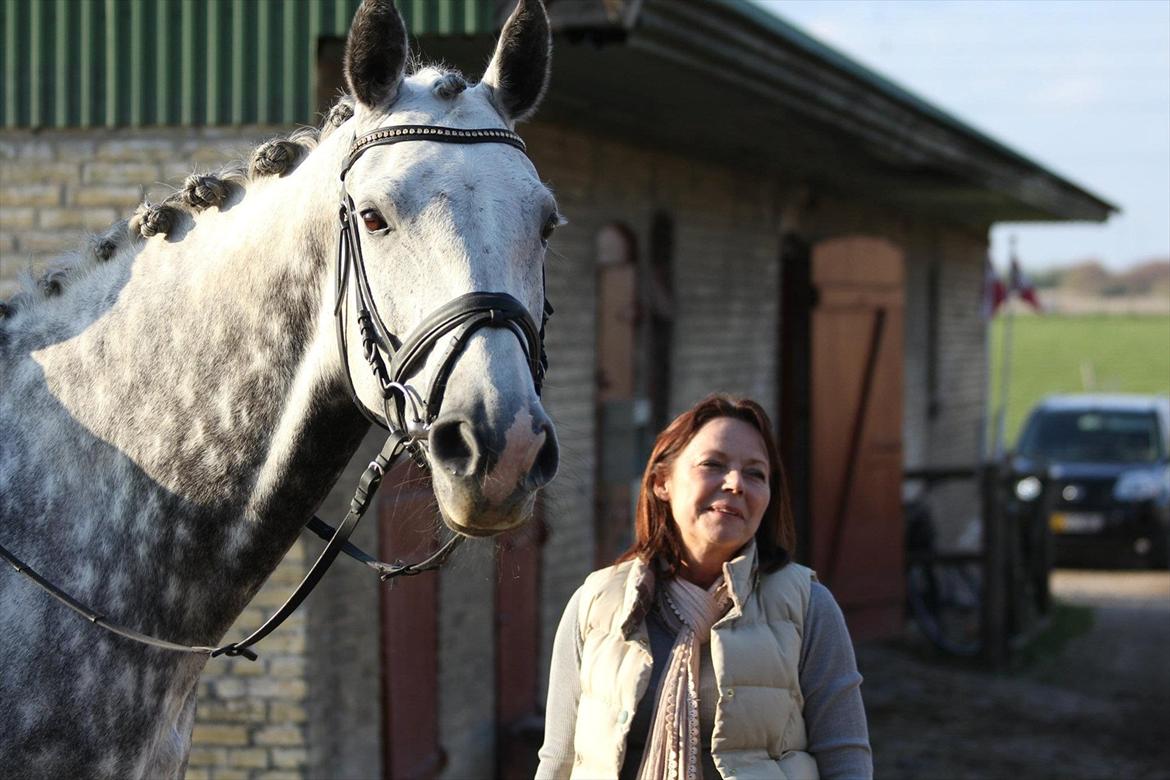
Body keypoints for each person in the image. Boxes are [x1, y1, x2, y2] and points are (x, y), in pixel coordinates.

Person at [536, 395, 872, 779]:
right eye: (713, 464)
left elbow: (845, 757)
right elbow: (558, 760)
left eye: (755, 474)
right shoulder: (597, 604)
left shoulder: (806, 606)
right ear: (662, 482)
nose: (735, 484)